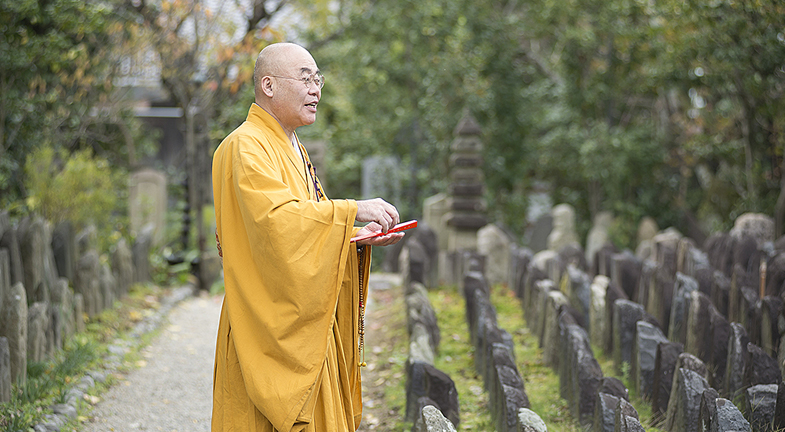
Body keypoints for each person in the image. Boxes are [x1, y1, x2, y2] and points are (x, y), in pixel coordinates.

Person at [211, 42, 405, 432]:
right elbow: (275, 225)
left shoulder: (292, 145)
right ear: (268, 85)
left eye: (318, 79)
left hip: (308, 327)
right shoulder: (245, 146)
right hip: (263, 328)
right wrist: (353, 209)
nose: (316, 89)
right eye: (305, 78)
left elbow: (306, 225)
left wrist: (353, 237)